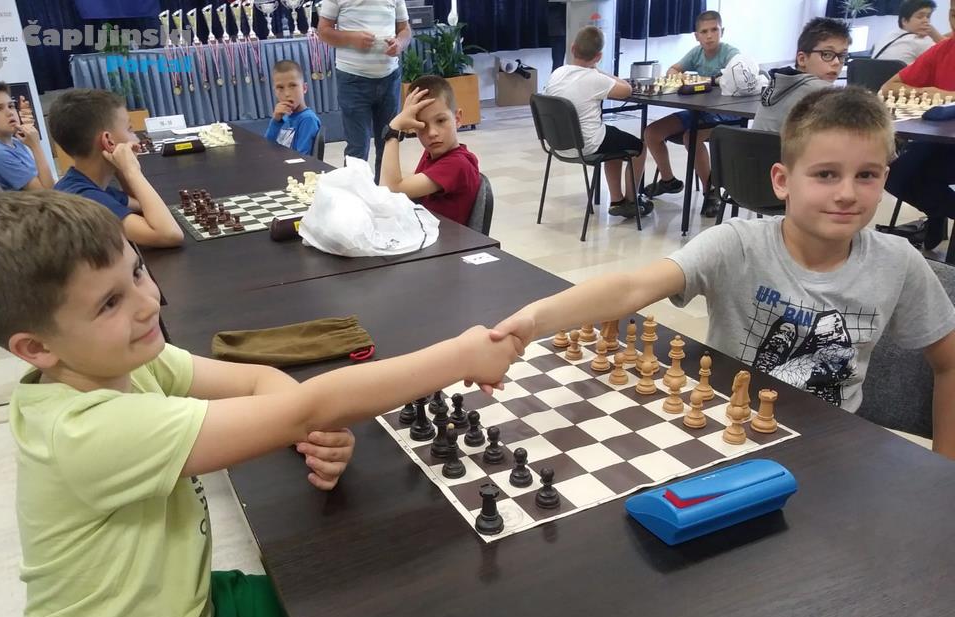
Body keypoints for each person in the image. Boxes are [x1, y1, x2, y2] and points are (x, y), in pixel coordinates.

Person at [0, 189, 521, 617]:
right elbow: (306, 405)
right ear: (36, 347)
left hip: (180, 613)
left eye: (136, 272)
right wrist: (458, 357)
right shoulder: (83, 432)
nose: (147, 303)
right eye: (109, 303)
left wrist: (308, 431)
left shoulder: (121, 363)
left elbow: (260, 383)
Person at [490, 88, 955, 458]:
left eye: (867, 175)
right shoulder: (737, 245)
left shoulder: (899, 262)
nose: (847, 194)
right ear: (782, 181)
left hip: (832, 453)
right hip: (726, 438)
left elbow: (950, 361)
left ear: (884, 179)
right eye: (826, 174)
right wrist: (533, 321)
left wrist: (945, 472)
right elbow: (632, 287)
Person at [49, 89, 183, 249]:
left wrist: (121, 171)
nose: (137, 139)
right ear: (109, 141)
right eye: (130, 129)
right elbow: (169, 234)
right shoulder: (86, 200)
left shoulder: (85, 185)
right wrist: (132, 171)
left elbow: (143, 207)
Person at [544, 25, 652, 218]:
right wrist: (599, 71)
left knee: (615, 141)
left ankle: (617, 201)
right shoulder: (595, 78)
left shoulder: (557, 73)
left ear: (572, 48)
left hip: (558, 144)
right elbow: (627, 89)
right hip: (588, 144)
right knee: (640, 147)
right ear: (599, 56)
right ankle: (632, 200)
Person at [643, 10, 741, 218]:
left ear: (722, 31)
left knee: (691, 137)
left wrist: (707, 80)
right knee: (652, 132)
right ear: (697, 36)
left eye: (714, 30)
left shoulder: (731, 53)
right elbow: (672, 70)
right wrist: (684, 77)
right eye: (704, 32)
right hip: (699, 112)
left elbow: (736, 77)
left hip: (727, 114)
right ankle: (668, 181)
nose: (709, 36)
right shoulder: (696, 53)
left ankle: (711, 192)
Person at [879, 2, 955, 251]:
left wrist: (944, 96)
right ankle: (938, 212)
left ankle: (936, 216)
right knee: (894, 175)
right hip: (938, 139)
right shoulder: (943, 49)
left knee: (926, 176)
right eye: (953, 14)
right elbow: (889, 87)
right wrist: (929, 92)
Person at [317, 0, 411, 182]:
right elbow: (323, 31)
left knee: (389, 144)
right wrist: (351, 38)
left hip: (389, 78)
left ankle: (383, 194)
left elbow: (405, 29)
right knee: (357, 149)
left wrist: (400, 43)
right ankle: (356, 197)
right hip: (352, 80)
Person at [380, 75, 481, 226]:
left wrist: (394, 131)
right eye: (422, 125)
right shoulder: (432, 154)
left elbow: (390, 190)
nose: (432, 133)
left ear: (457, 119)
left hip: (444, 240)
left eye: (440, 120)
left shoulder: (457, 164)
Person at [753, 18, 851, 133]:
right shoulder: (823, 92)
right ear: (802, 59)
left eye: (842, 56)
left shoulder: (777, 84)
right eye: (827, 54)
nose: (837, 62)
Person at [0, 77, 54, 191]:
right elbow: (47, 193)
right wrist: (36, 147)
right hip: (36, 201)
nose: (10, 113)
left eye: (11, 106)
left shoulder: (15, 142)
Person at [264, 59, 322, 156]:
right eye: (280, 87)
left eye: (293, 85)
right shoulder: (283, 117)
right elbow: (265, 149)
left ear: (304, 88)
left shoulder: (308, 119)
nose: (287, 93)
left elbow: (303, 159)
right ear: (275, 92)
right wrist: (275, 121)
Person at [874, 0, 944, 66]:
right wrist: (935, 34)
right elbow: (948, 55)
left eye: (928, 16)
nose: (926, 21)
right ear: (904, 21)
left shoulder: (888, 36)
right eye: (920, 17)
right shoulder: (919, 41)